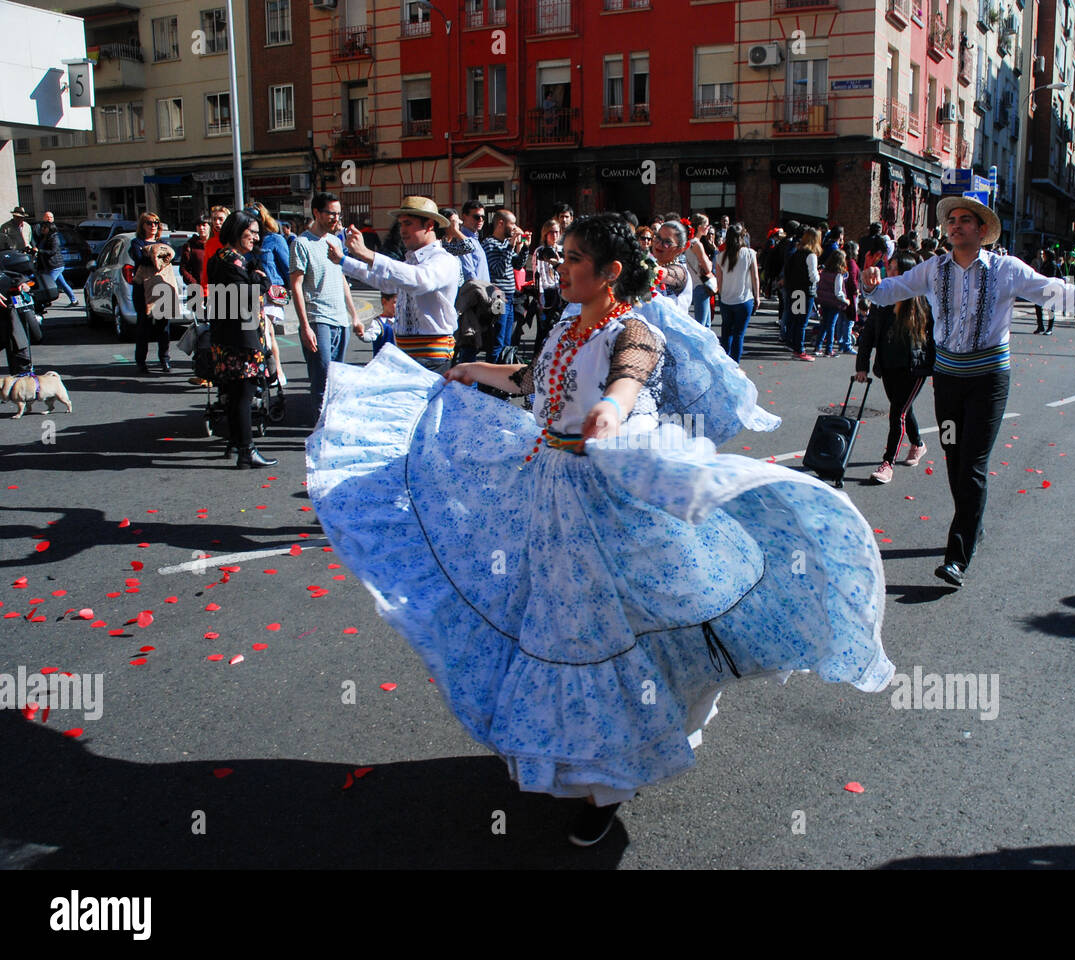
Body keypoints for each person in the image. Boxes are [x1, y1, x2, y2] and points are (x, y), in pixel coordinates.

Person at [305, 212, 893, 848]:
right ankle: (586, 761)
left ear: (611, 272)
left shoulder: (633, 330)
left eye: (576, 257)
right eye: (563, 254)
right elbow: (534, 384)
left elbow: (627, 380)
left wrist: (610, 412)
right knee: (556, 624)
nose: (562, 266)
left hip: (607, 495)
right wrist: (476, 374)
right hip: (549, 489)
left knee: (599, 634)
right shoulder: (564, 323)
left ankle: (609, 780)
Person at [861, 196, 1075, 588]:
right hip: (949, 381)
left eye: (965, 220)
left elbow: (1062, 294)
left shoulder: (1006, 270)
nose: (955, 225)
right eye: (951, 220)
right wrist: (871, 285)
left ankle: (957, 557)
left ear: (982, 230)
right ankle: (973, 523)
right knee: (953, 459)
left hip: (987, 381)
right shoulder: (934, 270)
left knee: (972, 464)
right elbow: (889, 291)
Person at [334, 196, 458, 373]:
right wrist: (344, 261)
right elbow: (385, 282)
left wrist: (367, 253)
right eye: (401, 224)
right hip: (406, 355)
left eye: (408, 223)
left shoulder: (444, 260)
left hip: (431, 358)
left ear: (429, 225)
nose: (402, 230)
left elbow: (419, 280)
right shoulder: (410, 261)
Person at [206, 210, 278, 469]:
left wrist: (258, 280)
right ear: (238, 232)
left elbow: (264, 280)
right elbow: (246, 294)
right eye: (252, 233)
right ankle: (246, 450)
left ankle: (238, 444)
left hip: (234, 335)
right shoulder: (228, 261)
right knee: (244, 394)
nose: (256, 239)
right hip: (239, 338)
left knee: (237, 394)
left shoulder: (236, 260)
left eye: (258, 233)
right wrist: (258, 283)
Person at [857, 249, 932, 485]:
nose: (886, 272)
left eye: (892, 268)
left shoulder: (922, 300)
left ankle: (888, 463)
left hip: (914, 367)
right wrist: (862, 365)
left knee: (897, 412)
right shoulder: (882, 299)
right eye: (887, 267)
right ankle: (918, 443)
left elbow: (937, 336)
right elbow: (868, 333)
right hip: (888, 365)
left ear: (905, 273)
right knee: (902, 409)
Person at [290, 192, 363, 415]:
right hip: (317, 319)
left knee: (336, 379)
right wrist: (304, 326)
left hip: (340, 319)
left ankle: (331, 426)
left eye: (338, 214)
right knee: (321, 380)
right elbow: (296, 286)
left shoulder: (334, 242)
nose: (336, 219)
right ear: (316, 213)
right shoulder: (301, 244)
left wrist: (355, 315)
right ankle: (320, 431)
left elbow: (341, 280)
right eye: (331, 214)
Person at [246, 202, 289, 387]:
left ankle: (275, 371)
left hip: (271, 292)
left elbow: (287, 266)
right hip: (251, 291)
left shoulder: (274, 239)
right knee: (261, 332)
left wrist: (291, 291)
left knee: (266, 330)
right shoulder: (245, 241)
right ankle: (269, 371)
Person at [479, 208, 527, 363]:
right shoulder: (489, 243)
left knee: (507, 341)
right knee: (497, 340)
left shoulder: (506, 243)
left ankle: (501, 375)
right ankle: (488, 381)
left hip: (511, 297)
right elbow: (498, 270)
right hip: (498, 297)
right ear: (500, 223)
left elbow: (518, 265)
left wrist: (524, 247)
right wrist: (511, 246)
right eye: (512, 224)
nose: (514, 228)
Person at [129, 212, 171, 373]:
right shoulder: (136, 242)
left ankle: (165, 360)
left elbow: (168, 257)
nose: (153, 226)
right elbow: (141, 259)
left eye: (156, 223)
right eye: (149, 223)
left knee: (163, 328)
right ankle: (141, 361)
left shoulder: (163, 242)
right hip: (142, 289)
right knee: (143, 327)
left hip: (161, 288)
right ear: (143, 225)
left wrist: (155, 257)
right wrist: (157, 258)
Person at [714, 222, 759, 362]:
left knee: (726, 333)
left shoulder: (720, 256)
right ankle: (735, 364)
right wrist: (757, 297)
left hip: (726, 299)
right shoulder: (750, 253)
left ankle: (725, 362)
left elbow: (719, 281)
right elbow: (755, 277)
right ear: (742, 237)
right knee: (739, 334)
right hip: (744, 299)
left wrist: (721, 295)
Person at [782, 227, 821, 361]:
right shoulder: (811, 255)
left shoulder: (797, 253)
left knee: (795, 320)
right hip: (806, 291)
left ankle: (794, 345)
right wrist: (819, 276)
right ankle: (800, 349)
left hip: (795, 290)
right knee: (802, 322)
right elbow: (813, 276)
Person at [813, 248, 851, 357]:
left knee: (824, 324)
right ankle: (829, 349)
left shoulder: (824, 272)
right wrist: (846, 301)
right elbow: (838, 292)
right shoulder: (838, 275)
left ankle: (818, 346)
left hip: (824, 301)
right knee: (831, 325)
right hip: (834, 303)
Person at [35, 212, 78, 308]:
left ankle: (43, 302)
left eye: (44, 228)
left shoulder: (54, 238)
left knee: (49, 284)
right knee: (62, 283)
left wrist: (40, 251)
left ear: (48, 229)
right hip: (50, 265)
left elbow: (52, 251)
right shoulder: (44, 237)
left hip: (56, 265)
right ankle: (74, 299)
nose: (42, 229)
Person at [650, 219, 693, 313]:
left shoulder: (680, 271)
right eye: (658, 237)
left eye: (667, 242)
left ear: (680, 249)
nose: (659, 244)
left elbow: (663, 273)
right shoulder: (651, 262)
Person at [440, 207, 489, 287]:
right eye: (454, 222)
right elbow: (469, 247)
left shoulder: (451, 244)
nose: (458, 225)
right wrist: (455, 230)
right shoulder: (442, 246)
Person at [200, 205, 230, 291]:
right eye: (214, 219)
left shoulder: (235, 239)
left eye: (220, 219)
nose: (217, 222)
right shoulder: (210, 243)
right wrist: (204, 291)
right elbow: (206, 269)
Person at [180, 217, 211, 291]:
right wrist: (194, 284)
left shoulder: (216, 244)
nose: (201, 228)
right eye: (198, 225)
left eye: (204, 225)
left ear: (210, 226)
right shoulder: (190, 245)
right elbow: (183, 268)